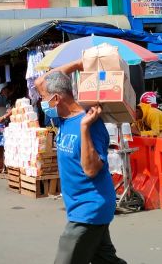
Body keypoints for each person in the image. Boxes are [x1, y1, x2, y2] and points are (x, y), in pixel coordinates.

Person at [35, 64, 126, 264]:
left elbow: (92, 169)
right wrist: (78, 64)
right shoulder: (62, 119)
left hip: (89, 208)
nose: (42, 103)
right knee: (105, 260)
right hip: (80, 206)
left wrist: (85, 128)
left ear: (57, 99)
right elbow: (40, 82)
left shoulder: (92, 124)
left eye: (44, 99)